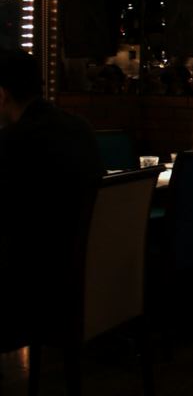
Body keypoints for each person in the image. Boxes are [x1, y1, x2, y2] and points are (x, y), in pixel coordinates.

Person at [0, 49, 104, 347]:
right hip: (87, 280)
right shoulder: (80, 128)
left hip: (30, 294)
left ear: (2, 94)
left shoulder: (12, 143)